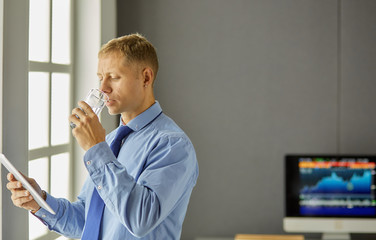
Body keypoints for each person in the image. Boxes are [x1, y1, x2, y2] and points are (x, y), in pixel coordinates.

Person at [6, 33, 198, 239]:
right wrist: (40, 201)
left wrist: (96, 149)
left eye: (114, 77)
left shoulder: (172, 145)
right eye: (100, 78)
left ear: (146, 77)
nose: (103, 88)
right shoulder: (110, 141)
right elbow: (87, 221)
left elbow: (141, 220)